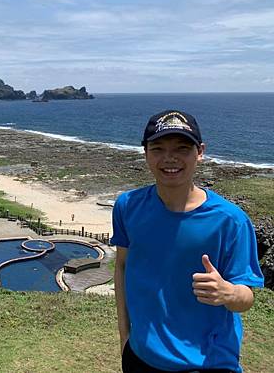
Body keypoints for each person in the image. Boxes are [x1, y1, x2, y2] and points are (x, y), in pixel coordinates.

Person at [112, 110, 264, 373]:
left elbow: (246, 297)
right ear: (145, 152)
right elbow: (123, 266)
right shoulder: (128, 206)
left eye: (182, 148)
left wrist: (227, 292)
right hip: (139, 356)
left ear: (200, 152)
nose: (169, 158)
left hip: (206, 363)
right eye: (158, 148)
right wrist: (125, 337)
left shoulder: (230, 221)